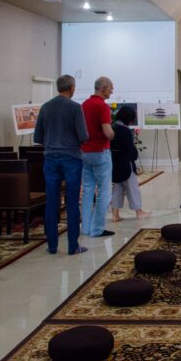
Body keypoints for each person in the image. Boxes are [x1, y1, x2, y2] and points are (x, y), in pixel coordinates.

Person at [33, 75, 89, 255]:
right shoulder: (75, 108)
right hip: (71, 158)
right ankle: (73, 246)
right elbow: (83, 136)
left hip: (50, 158)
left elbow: (37, 137)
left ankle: (52, 246)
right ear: (71, 88)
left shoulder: (45, 107)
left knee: (51, 202)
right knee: (72, 202)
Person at [80, 76, 115, 237]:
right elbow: (107, 132)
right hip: (100, 151)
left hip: (85, 151)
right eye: (110, 88)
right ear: (103, 88)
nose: (112, 91)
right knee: (104, 191)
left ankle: (86, 228)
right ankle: (97, 229)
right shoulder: (102, 106)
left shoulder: (84, 105)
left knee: (87, 190)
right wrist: (113, 134)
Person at [110, 106, 150, 221]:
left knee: (117, 189)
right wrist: (134, 156)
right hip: (126, 163)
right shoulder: (125, 130)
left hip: (114, 162)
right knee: (133, 188)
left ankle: (115, 215)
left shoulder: (113, 127)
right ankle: (139, 212)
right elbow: (130, 149)